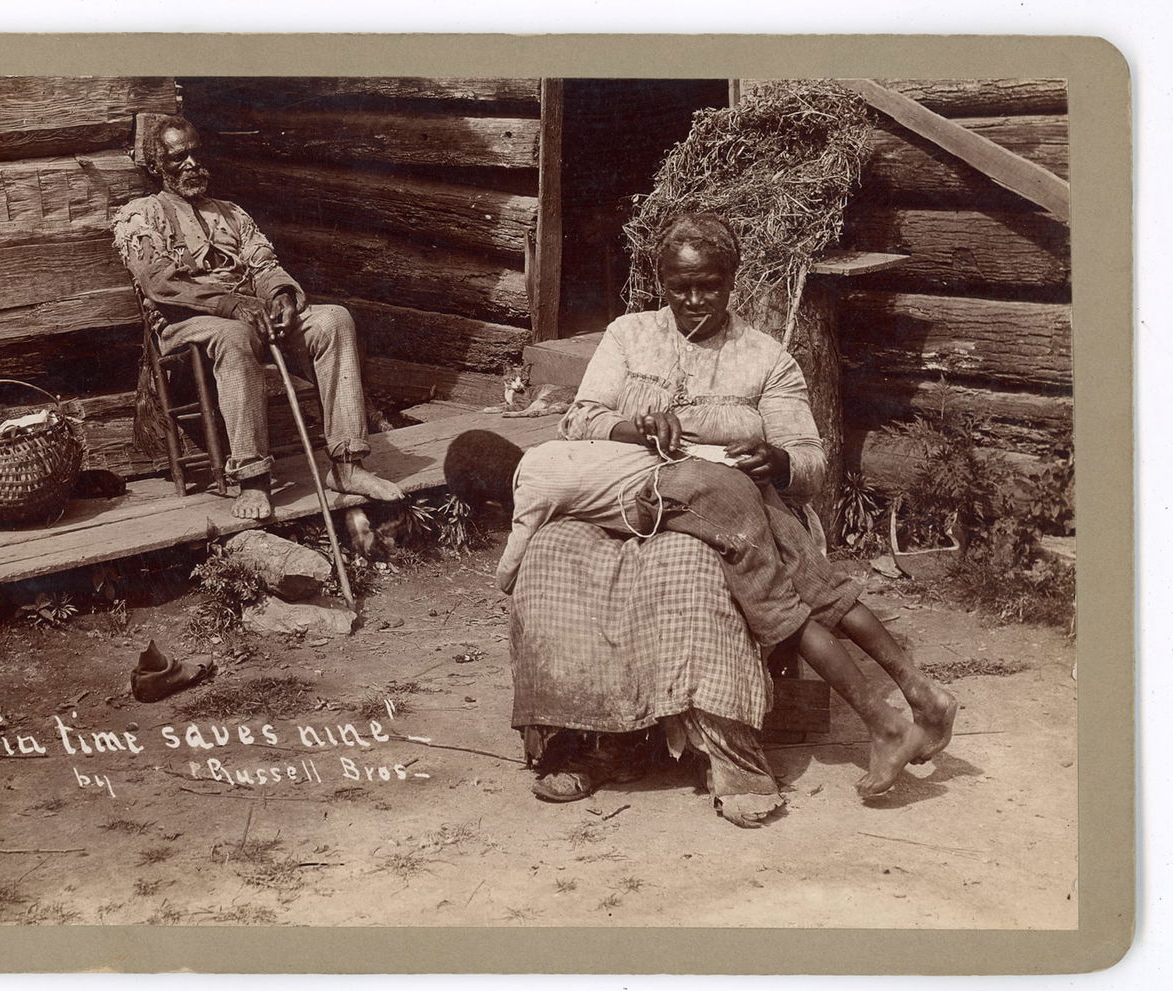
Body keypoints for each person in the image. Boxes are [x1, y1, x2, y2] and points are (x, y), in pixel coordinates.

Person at [506, 211, 958, 822]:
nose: (693, 300)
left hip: (733, 510)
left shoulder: (765, 359)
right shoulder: (628, 336)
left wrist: (773, 458)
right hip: (625, 498)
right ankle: (583, 737)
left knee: (695, 569)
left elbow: (811, 461)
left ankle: (731, 752)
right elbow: (581, 418)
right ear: (658, 281)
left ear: (733, 280)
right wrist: (631, 425)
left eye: (709, 285)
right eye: (678, 286)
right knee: (552, 554)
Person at [445, 428, 957, 800]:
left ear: (489, 495)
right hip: (716, 474)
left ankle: (884, 724)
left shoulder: (529, 489)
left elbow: (515, 556)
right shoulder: (555, 449)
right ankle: (922, 692)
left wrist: (503, 581)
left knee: (781, 615)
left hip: (695, 497)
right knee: (820, 589)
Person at [111, 116, 404, 520]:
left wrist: (281, 295)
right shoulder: (140, 215)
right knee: (234, 336)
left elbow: (265, 265)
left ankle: (349, 465)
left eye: (196, 153)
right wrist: (230, 305)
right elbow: (160, 284)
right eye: (179, 157)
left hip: (254, 314)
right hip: (187, 320)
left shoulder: (231, 213)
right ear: (156, 167)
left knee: (334, 320)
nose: (192, 164)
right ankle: (252, 478)